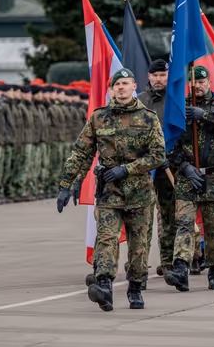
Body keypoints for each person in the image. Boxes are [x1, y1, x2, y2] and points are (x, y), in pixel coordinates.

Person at [57, 68, 166, 311]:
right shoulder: (99, 117)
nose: (121, 88)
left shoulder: (148, 118)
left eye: (125, 83)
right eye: (116, 84)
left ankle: (136, 287)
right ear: (111, 89)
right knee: (106, 239)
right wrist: (66, 185)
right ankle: (104, 285)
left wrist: (127, 169)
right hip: (109, 193)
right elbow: (81, 153)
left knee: (139, 246)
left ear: (134, 86)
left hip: (139, 194)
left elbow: (158, 155)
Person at [162, 66, 214, 292]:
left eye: (202, 80)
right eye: (194, 81)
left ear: (209, 82)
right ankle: (180, 267)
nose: (198, 84)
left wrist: (204, 115)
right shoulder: (179, 109)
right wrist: (185, 166)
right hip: (188, 176)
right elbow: (168, 143)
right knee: (185, 223)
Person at [136, 59, 174, 277]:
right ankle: (139, 261)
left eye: (162, 75)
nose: (159, 79)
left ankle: (167, 261)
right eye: (155, 75)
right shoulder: (139, 101)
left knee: (169, 215)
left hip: (169, 165)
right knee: (143, 217)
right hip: (144, 167)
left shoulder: (176, 101)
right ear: (148, 77)